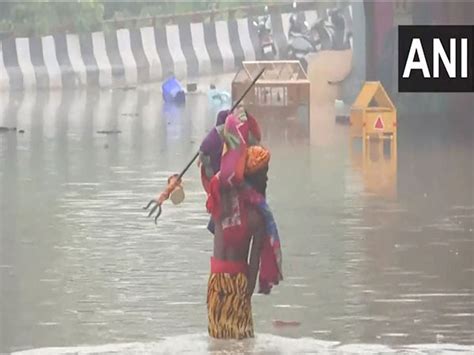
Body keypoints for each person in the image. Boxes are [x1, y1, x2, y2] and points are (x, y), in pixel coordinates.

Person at [206, 145, 282, 339]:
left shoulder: (221, 201)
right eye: (264, 174)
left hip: (215, 280)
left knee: (217, 340)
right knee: (241, 339)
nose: (266, 179)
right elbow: (254, 264)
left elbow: (215, 173)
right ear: (255, 178)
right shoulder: (258, 215)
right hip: (239, 281)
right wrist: (245, 297)